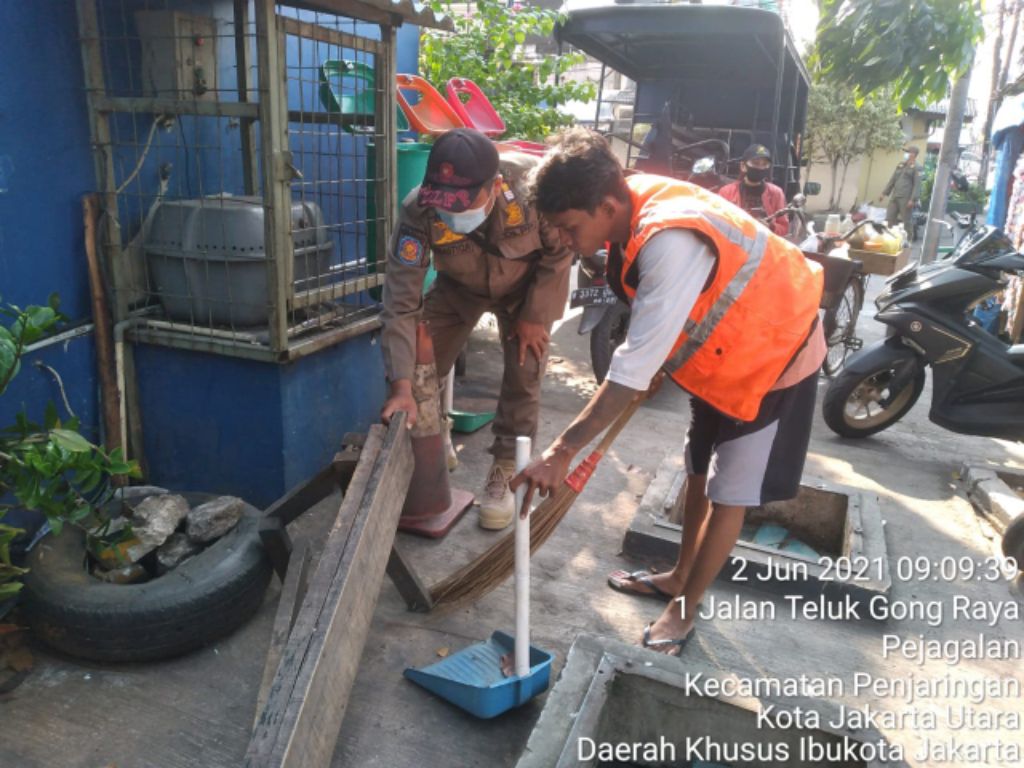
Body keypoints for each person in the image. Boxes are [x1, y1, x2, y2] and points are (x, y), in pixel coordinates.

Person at [511, 128, 825, 655]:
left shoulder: (670, 241)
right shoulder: (633, 203)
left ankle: (683, 611)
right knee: (699, 468)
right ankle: (681, 575)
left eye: (568, 227)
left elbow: (629, 368)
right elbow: (664, 327)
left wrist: (562, 450)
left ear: (606, 205)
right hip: (728, 354)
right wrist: (660, 358)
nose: (563, 240)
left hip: (775, 355)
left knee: (729, 495)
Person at [380, 128, 573, 530]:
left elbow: (561, 249)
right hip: (459, 288)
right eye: (444, 202)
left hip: (526, 288)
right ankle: (433, 441)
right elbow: (400, 302)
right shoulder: (420, 209)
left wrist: (535, 314)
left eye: (463, 202)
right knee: (418, 364)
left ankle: (506, 467)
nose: (452, 212)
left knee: (525, 371)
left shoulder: (531, 186)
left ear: (494, 184)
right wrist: (400, 386)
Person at [717, 144, 789, 237]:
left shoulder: (776, 193)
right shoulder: (727, 192)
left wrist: (770, 227)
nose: (760, 168)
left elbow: (784, 228)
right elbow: (717, 221)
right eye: (755, 163)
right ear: (743, 166)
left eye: (764, 164)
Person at [878, 146, 922, 227]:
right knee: (889, 219)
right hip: (895, 196)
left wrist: (912, 200)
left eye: (908, 152)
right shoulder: (901, 165)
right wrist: (884, 193)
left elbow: (917, 185)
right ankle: (890, 237)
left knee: (906, 221)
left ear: (913, 154)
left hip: (906, 198)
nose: (906, 154)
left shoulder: (917, 167)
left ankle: (908, 239)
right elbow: (892, 180)